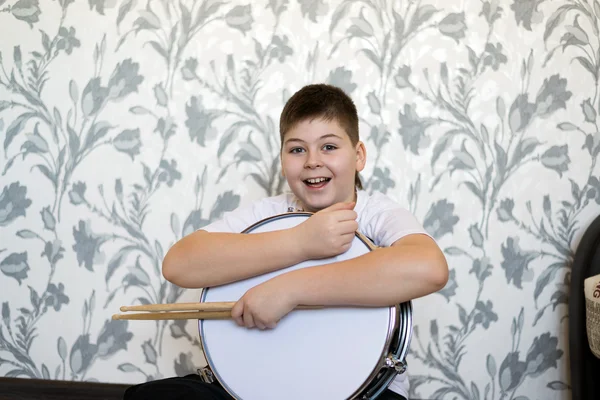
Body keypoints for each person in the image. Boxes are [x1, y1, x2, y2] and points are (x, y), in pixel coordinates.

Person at [123, 84, 449, 400]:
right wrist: (301, 241)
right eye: (297, 149)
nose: (312, 161)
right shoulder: (269, 213)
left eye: (329, 147)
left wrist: (288, 290)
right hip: (262, 383)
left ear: (359, 155)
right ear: (282, 159)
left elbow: (429, 268)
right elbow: (179, 264)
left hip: (367, 390)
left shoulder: (377, 213)